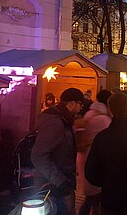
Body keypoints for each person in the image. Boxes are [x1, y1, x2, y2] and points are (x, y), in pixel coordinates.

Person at [31, 87, 85, 215]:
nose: (81, 108)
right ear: (71, 103)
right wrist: (60, 181)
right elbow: (38, 156)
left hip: (58, 184)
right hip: (53, 187)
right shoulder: (55, 123)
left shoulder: (63, 121)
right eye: (80, 104)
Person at [76, 89, 112, 215]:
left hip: (84, 156)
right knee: (93, 197)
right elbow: (108, 142)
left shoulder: (90, 113)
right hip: (95, 159)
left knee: (92, 196)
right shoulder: (104, 119)